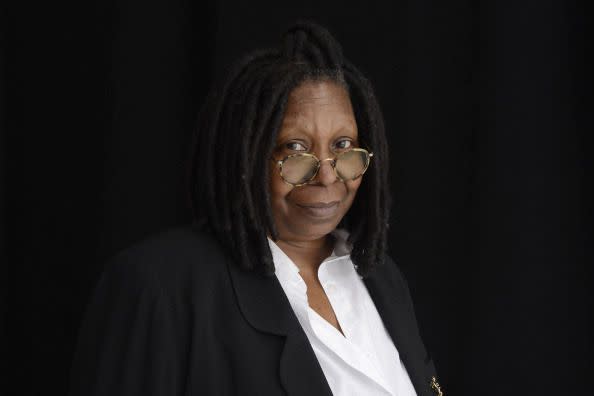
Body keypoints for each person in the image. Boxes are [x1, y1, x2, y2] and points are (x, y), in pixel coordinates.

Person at [69, 21, 441, 396]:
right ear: (246, 156)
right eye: (295, 149)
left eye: (343, 145)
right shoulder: (160, 290)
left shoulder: (379, 276)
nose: (327, 176)